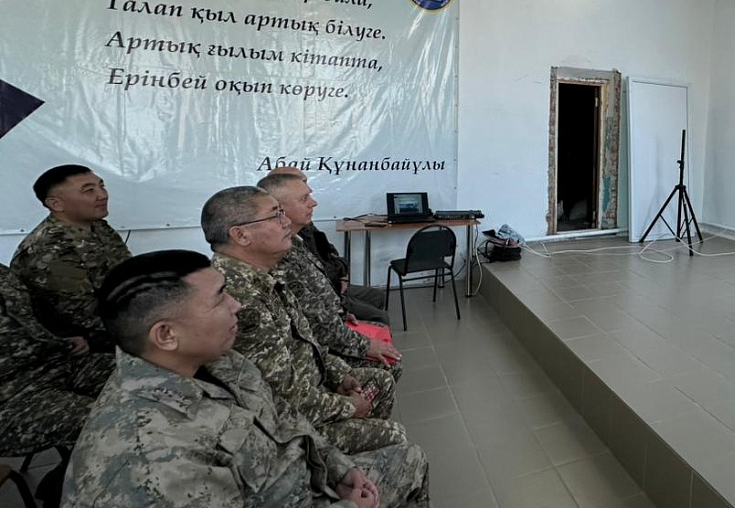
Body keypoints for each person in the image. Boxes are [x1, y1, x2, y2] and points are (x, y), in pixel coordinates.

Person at [61, 249, 429, 507]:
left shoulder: (222, 361)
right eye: (220, 299)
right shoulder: (150, 460)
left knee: (411, 457)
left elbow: (284, 417)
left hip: (307, 479)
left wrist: (337, 466)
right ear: (166, 335)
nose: (236, 304)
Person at [201, 186, 402, 455]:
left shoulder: (264, 273)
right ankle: (350, 471)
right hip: (289, 422)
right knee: (397, 438)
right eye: (275, 216)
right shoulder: (239, 297)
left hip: (314, 383)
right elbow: (284, 393)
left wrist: (338, 373)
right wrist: (349, 407)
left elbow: (306, 339)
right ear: (241, 235)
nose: (285, 222)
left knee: (381, 381)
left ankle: (357, 466)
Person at [258, 173, 402, 372]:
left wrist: (340, 307)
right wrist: (363, 344)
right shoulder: (280, 253)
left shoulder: (299, 239)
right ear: (278, 208)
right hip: (315, 344)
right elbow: (314, 321)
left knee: (376, 303)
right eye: (304, 198)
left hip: (335, 307)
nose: (313, 203)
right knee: (388, 359)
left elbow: (331, 255)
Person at [0, 264, 113, 507]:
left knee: (146, 377)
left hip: (53, 364)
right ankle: (71, 494)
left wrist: (55, 341)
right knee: (111, 421)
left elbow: (23, 329)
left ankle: (68, 474)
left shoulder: (2, 274)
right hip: (11, 398)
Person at [11, 164, 131, 350]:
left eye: (102, 186)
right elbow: (83, 317)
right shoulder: (50, 249)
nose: (102, 195)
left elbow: (128, 272)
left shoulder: (98, 227)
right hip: (83, 341)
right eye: (89, 191)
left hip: (119, 316)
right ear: (56, 204)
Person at [266, 166, 392, 324]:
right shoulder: (280, 247)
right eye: (303, 195)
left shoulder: (304, 228)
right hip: (328, 294)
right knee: (379, 317)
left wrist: (342, 274)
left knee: (376, 296)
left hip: (333, 286)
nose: (313, 201)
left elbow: (330, 250)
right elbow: (313, 308)